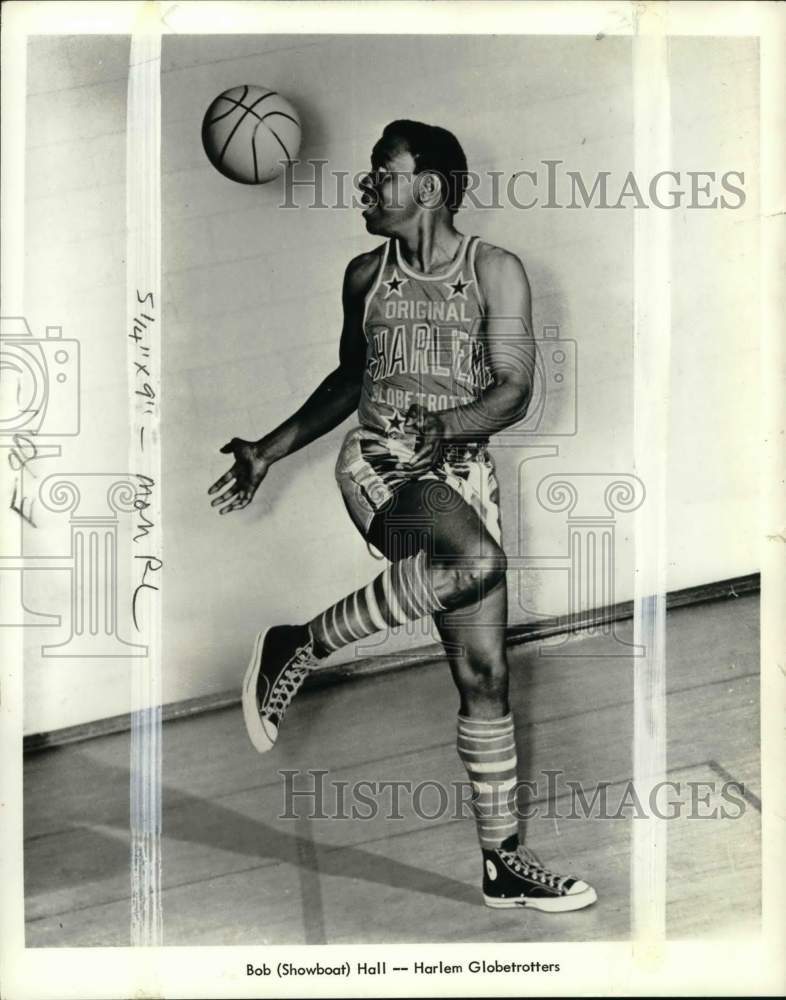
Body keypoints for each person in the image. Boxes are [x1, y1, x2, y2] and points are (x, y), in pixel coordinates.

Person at [208, 120, 596, 912]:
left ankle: (502, 864)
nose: (365, 186)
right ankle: (298, 645)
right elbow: (352, 379)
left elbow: (516, 388)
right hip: (381, 462)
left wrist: (449, 429)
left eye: (381, 173)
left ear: (428, 186)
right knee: (478, 564)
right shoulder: (364, 276)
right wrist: (270, 450)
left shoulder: (497, 270)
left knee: (486, 677)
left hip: (461, 473)